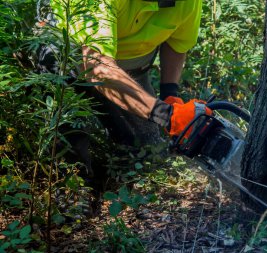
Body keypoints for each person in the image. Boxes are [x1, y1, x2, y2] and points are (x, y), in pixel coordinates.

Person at [39, 0, 212, 176]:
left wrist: (170, 94)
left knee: (149, 151)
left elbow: (177, 43)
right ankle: (74, 187)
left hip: (127, 65)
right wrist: (163, 113)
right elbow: (97, 69)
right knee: (69, 144)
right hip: (71, 55)